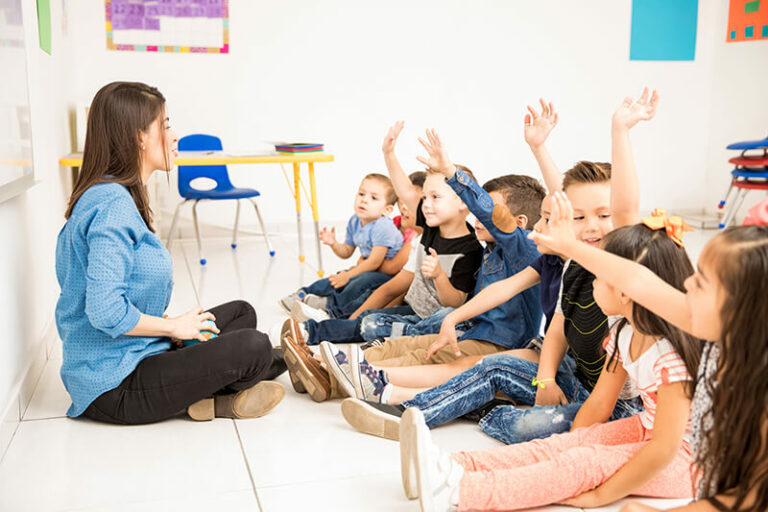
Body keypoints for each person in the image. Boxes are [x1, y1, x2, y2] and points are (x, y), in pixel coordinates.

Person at [400, 206, 702, 510]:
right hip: (645, 430)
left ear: (625, 292)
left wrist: (600, 492)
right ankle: (451, 466)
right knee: (569, 445)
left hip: (687, 461)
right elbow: (599, 403)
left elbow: (664, 449)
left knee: (589, 460)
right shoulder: (624, 333)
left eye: (597, 277)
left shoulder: (670, 359)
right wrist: (569, 447)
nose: (592, 283)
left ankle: (463, 493)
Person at [55, 81, 285, 424]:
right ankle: (239, 386)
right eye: (164, 125)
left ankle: (272, 363)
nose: (174, 135)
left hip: (137, 352)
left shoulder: (115, 194)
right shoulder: (112, 208)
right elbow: (104, 311)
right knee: (254, 348)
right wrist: (174, 328)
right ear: (138, 137)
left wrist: (169, 327)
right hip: (114, 385)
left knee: (241, 313)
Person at [279, 173, 404, 319]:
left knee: (358, 281)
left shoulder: (383, 227)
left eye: (373, 198)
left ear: (387, 210)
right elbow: (346, 252)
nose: (364, 200)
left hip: (389, 276)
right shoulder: (355, 220)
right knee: (338, 277)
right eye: (361, 194)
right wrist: (334, 244)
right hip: (369, 268)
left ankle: (329, 306)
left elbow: (375, 262)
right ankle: (303, 294)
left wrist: (349, 275)